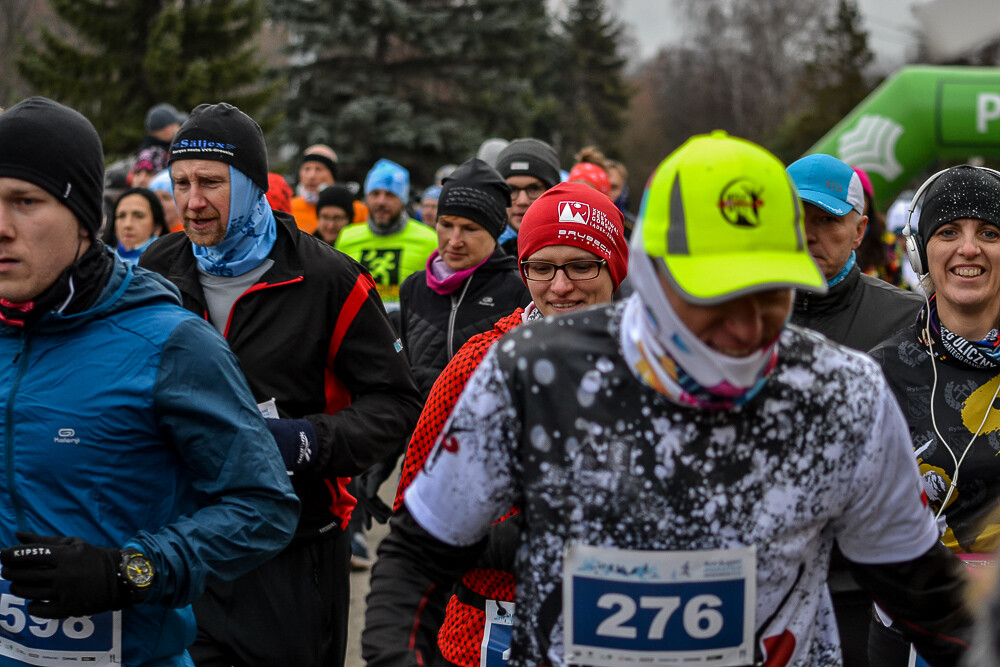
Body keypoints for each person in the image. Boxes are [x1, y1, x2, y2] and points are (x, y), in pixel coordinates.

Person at [363, 131, 973, 667]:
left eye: (769, 290)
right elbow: (418, 554)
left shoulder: (841, 393)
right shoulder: (533, 374)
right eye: (713, 295)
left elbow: (922, 597)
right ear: (651, 276)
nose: (746, 325)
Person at [0, 97, 299, 666]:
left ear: (86, 217)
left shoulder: (170, 342)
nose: (1, 227)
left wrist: (129, 571)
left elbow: (263, 505)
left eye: (25, 201)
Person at [139, 102, 422, 667]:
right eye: (182, 183)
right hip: (181, 543)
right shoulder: (159, 263)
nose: (193, 201)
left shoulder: (328, 279)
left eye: (212, 183)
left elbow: (396, 406)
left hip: (293, 549)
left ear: (249, 185)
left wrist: (304, 441)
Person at [389, 181, 629, 667]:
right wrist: (495, 539)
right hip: (487, 631)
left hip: (614, 627)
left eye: (582, 265)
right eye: (542, 268)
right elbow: (412, 513)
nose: (561, 286)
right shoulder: (478, 364)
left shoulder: (655, 370)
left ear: (615, 268)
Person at [869, 165, 1000, 665]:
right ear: (921, 252)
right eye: (948, 232)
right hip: (912, 638)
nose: (969, 248)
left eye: (989, 232)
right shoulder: (876, 374)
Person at [399, 158, 530, 396]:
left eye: (470, 229)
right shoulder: (414, 287)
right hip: (418, 430)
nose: (454, 240)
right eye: (446, 224)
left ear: (494, 232)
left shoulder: (519, 290)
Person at [787, 154, 923, 352]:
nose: (807, 235)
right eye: (795, 217)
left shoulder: (910, 318)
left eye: (826, 220)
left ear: (859, 231)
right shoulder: (739, 307)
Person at [334, 158, 438, 317]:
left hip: (408, 336)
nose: (381, 202)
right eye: (375, 194)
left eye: (390, 195)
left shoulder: (429, 239)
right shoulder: (347, 236)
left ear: (403, 200)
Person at [495, 138, 562, 257]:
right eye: (512, 190)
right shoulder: (479, 257)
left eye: (534, 189)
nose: (522, 201)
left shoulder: (576, 253)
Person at [104, 186, 167, 264]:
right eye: (121, 216)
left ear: (157, 226)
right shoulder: (102, 263)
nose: (127, 224)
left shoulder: (169, 263)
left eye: (139, 216)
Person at [290, 144, 339, 234]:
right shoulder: (289, 208)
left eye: (319, 169)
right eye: (307, 169)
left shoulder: (357, 210)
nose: (311, 176)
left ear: (332, 175)